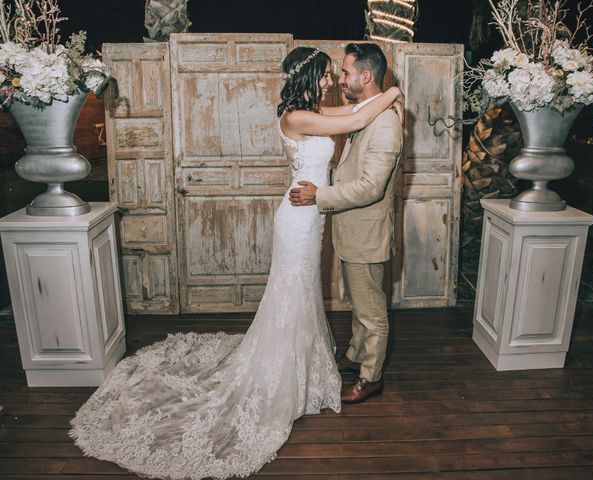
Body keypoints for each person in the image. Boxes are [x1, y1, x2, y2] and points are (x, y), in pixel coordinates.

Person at [69, 46, 402, 480]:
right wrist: (394, 92)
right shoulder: (298, 118)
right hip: (300, 216)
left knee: (302, 291)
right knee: (293, 290)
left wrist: (385, 98)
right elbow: (356, 119)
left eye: (336, 73)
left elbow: (354, 120)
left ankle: (303, 363)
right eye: (325, 74)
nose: (332, 80)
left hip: (314, 213)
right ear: (308, 77)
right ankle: (285, 368)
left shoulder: (315, 110)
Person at [289, 43, 404, 404]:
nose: (340, 79)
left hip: (367, 230)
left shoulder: (385, 122)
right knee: (358, 300)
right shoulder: (369, 112)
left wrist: (319, 196)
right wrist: (393, 94)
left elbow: (371, 187)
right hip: (352, 228)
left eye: (345, 73)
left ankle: (371, 377)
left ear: (365, 77)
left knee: (372, 311)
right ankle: (355, 355)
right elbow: (350, 118)